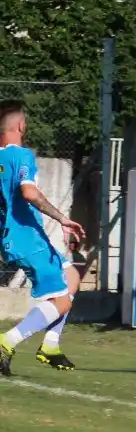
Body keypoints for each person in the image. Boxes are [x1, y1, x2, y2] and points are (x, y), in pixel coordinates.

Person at [0, 101, 86, 375]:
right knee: (61, 301)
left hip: (19, 237)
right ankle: (7, 341)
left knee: (71, 277)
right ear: (20, 126)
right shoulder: (21, 156)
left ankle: (50, 345)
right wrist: (62, 219)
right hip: (28, 239)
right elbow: (29, 192)